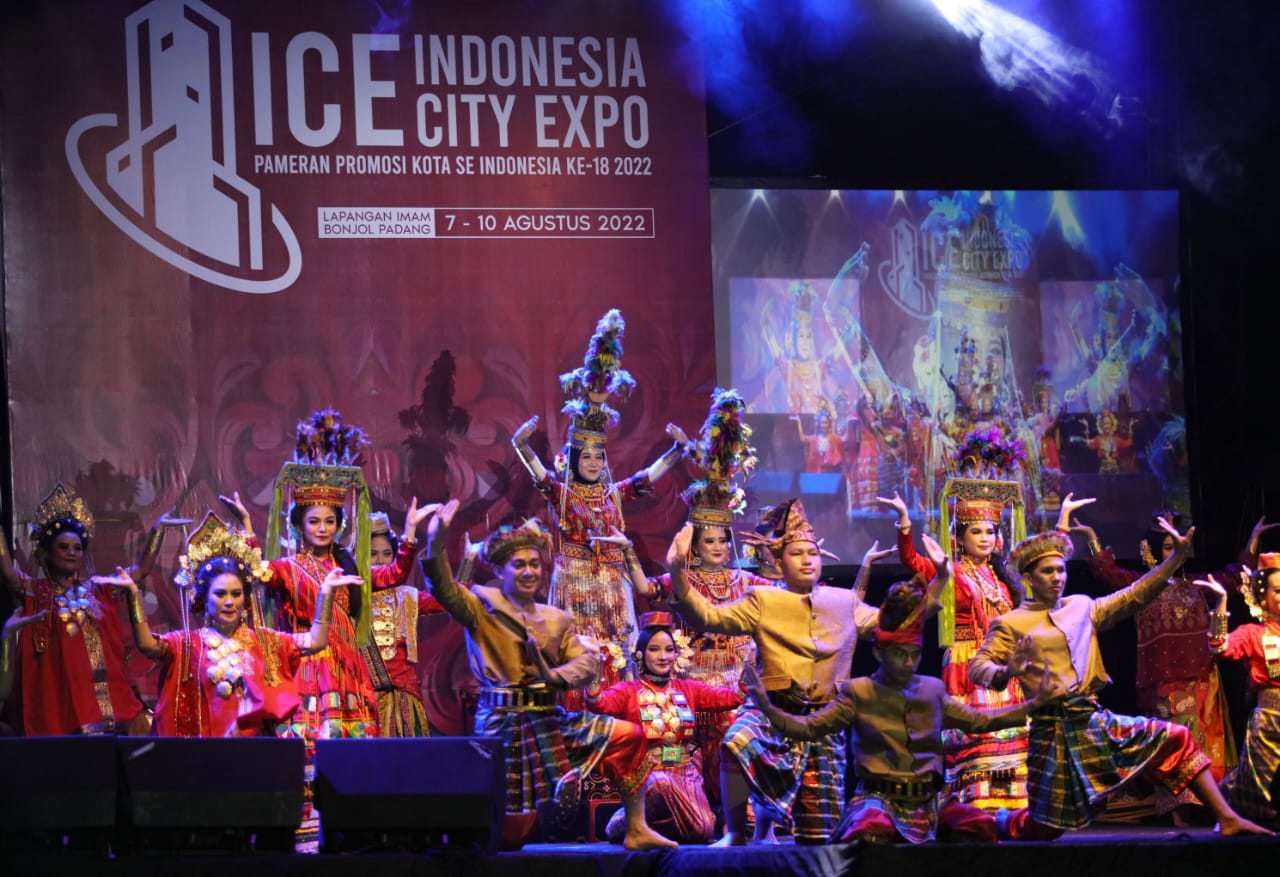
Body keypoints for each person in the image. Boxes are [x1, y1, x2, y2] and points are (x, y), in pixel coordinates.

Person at [970, 521, 1271, 838]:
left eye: (1060, 570)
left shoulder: (1081, 606)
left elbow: (1134, 594)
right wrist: (1006, 671)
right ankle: (998, 821)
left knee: (1175, 738)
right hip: (1052, 730)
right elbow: (978, 667)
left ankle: (1227, 817)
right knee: (1043, 829)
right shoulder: (1011, 623)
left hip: (1090, 720)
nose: (1057, 578)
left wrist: (1174, 560)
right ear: (1030, 578)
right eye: (1047, 572)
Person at [422, 500, 676, 851]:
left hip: (548, 719)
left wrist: (550, 673)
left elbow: (584, 662)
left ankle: (635, 828)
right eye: (519, 565)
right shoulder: (480, 607)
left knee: (629, 736)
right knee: (511, 836)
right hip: (503, 723)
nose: (529, 571)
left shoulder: (556, 619)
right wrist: (435, 539)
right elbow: (441, 587)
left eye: (534, 564)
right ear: (501, 570)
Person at [746, 571, 1061, 844]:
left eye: (914, 655)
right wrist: (767, 707)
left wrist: (1035, 704)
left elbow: (979, 721)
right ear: (880, 654)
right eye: (900, 655)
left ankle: (1006, 822)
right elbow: (809, 727)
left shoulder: (931, 690)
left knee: (979, 828)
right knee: (871, 832)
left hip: (929, 802)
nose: (909, 663)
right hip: (878, 801)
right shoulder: (860, 692)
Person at [666, 498, 890, 844]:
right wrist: (677, 572)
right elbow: (709, 616)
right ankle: (735, 832)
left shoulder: (843, 602)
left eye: (812, 553)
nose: (807, 559)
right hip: (770, 711)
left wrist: (937, 580)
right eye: (797, 553)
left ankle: (769, 826)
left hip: (823, 724)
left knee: (818, 840)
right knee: (737, 741)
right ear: (779, 561)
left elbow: (896, 623)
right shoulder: (763, 599)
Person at [511, 309, 688, 699]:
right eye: (585, 456)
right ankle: (575, 712)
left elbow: (647, 477)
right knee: (575, 652)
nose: (592, 463)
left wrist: (678, 450)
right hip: (573, 581)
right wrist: (521, 445)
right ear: (575, 459)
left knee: (615, 654)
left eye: (598, 457)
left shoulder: (613, 494)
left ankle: (616, 708)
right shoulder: (563, 493)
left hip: (611, 583)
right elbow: (540, 476)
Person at [221, 410, 430, 740]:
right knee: (307, 739)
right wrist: (247, 525)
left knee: (351, 743)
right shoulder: (288, 568)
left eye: (330, 521)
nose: (322, 528)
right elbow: (257, 571)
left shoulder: (348, 567)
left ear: (338, 525)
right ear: (300, 526)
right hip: (306, 663)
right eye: (314, 521)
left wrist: (410, 533)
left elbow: (394, 575)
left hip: (347, 665)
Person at [1064, 504, 1269, 819]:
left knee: (1206, 742)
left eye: (1178, 545)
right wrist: (1091, 537)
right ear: (1155, 550)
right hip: (1161, 681)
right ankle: (1177, 812)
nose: (1175, 552)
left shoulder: (1199, 584)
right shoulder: (1144, 585)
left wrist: (1253, 541)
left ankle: (1211, 809)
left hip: (1201, 677)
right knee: (1172, 743)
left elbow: (1233, 576)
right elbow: (1108, 574)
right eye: (1168, 546)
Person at [105, 512, 362, 737]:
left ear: (245, 599)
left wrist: (325, 594)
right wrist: (134, 596)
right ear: (204, 598)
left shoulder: (265, 642)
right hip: (202, 756)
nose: (229, 602)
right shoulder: (187, 644)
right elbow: (148, 645)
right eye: (220, 594)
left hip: (251, 756)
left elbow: (315, 641)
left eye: (236, 594)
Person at [881, 486, 1030, 813]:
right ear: (960, 538)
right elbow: (911, 560)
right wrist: (904, 521)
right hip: (967, 660)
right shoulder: (952, 570)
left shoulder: (1003, 577)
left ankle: (1013, 803)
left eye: (990, 531)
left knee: (1011, 731)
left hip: (1002, 662)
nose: (985, 538)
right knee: (976, 733)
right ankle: (975, 804)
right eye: (976, 531)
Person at [0, 482, 186, 736]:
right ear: (46, 553)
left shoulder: (100, 588)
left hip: (111, 701)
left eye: (77, 548)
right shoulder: (35, 591)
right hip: (62, 702)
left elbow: (140, 571)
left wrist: (158, 530)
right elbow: (8, 574)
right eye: (63, 547)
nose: (71, 553)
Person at [586, 611, 744, 844]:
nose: (663, 656)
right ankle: (624, 823)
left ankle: (643, 826)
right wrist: (594, 667)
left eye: (669, 650)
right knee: (659, 783)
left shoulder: (688, 689)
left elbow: (734, 697)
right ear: (640, 654)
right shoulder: (628, 691)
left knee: (703, 829)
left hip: (686, 776)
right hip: (647, 776)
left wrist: (754, 661)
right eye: (654, 649)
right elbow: (597, 703)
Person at [1198, 554, 1280, 828]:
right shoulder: (1254, 634)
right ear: (1263, 596)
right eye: (1278, 590)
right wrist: (1221, 603)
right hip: (1269, 725)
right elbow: (1219, 647)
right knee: (1261, 790)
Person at [363, 512, 444, 737]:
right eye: (372, 554)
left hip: (403, 697)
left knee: (407, 755)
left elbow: (447, 599)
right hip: (363, 696)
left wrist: (467, 561)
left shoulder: (406, 597)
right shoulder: (349, 595)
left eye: (387, 554)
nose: (380, 560)